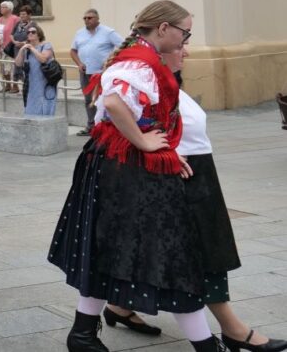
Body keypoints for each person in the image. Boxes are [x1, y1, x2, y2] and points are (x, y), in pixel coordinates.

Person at [49, 0, 230, 351]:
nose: (184, 41)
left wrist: (161, 150)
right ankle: (206, 346)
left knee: (109, 250)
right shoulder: (139, 60)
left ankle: (83, 334)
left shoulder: (138, 55)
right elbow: (115, 102)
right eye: (184, 33)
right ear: (163, 28)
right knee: (173, 255)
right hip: (127, 170)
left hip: (117, 166)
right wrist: (146, 144)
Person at [101, 44, 287, 352]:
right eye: (182, 43)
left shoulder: (167, 83)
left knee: (190, 252)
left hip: (197, 175)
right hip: (179, 180)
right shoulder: (145, 83)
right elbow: (116, 121)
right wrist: (157, 150)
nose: (187, 51)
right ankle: (233, 330)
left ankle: (119, 307)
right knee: (203, 256)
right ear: (160, 46)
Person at [71, 9, 122, 136]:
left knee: (103, 100)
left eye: (90, 18)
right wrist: (79, 63)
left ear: (97, 19)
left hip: (101, 73)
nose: (87, 20)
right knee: (88, 100)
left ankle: (105, 127)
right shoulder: (79, 33)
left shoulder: (108, 32)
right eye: (85, 18)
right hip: (85, 72)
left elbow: (123, 45)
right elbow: (73, 51)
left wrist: (111, 60)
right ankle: (91, 126)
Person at [14, 24, 57, 116]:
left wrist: (32, 48)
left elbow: (43, 59)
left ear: (39, 34)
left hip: (45, 83)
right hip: (31, 84)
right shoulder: (26, 49)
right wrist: (22, 50)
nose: (30, 34)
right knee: (30, 108)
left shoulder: (46, 46)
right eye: (28, 32)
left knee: (44, 106)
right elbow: (18, 63)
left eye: (33, 32)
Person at [0, 1, 20, 93]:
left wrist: (14, 43)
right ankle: (8, 85)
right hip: (2, 47)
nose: (1, 8)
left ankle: (15, 86)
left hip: (11, 47)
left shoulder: (15, 19)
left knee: (12, 67)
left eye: (3, 7)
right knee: (4, 67)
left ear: (9, 9)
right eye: (0, 7)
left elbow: (17, 33)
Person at [9, 5, 35, 95]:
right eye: (20, 14)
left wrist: (24, 43)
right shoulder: (18, 24)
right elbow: (11, 34)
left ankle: (27, 87)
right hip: (17, 49)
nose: (22, 16)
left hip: (27, 49)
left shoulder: (33, 24)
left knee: (26, 67)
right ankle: (15, 86)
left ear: (29, 15)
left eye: (24, 14)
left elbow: (35, 37)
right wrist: (14, 41)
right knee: (16, 66)